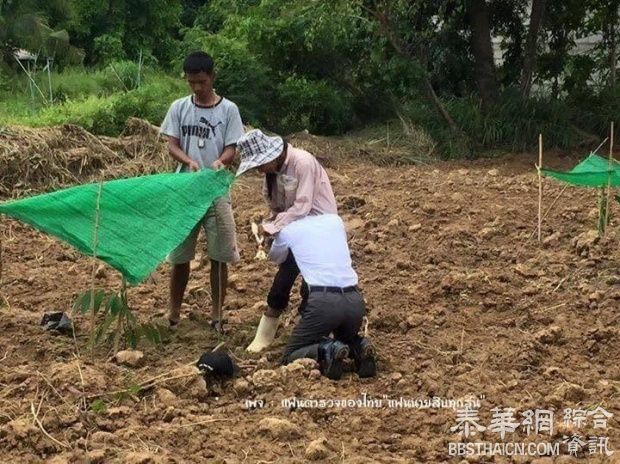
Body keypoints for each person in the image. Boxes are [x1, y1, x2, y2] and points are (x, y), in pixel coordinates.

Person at [159, 51, 244, 330]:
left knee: (219, 258)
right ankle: (173, 313)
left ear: (212, 78)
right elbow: (172, 144)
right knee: (179, 257)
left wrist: (221, 161)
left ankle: (217, 316)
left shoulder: (228, 110)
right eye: (192, 82)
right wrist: (188, 161)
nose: (197, 87)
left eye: (202, 82)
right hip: (185, 189)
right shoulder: (179, 108)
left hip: (216, 190)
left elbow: (232, 145)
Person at [235, 129, 337, 351]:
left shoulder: (303, 162)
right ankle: (267, 336)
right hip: (296, 229)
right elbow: (276, 207)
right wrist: (267, 227)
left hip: (318, 228)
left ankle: (311, 332)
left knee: (311, 282)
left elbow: (303, 205)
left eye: (260, 165)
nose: (259, 170)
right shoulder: (270, 174)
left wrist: (273, 226)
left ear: (272, 155)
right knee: (285, 277)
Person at [268, 214, 376, 380]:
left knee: (290, 355)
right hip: (354, 300)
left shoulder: (288, 230)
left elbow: (275, 257)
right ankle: (360, 348)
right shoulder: (335, 221)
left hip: (324, 302)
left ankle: (326, 349)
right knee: (345, 340)